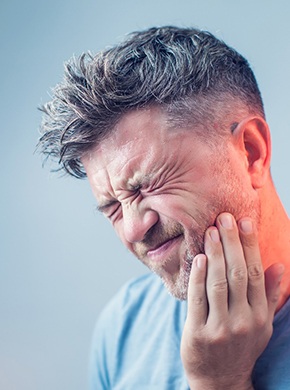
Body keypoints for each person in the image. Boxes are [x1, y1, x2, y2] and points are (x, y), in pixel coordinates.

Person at [38, 26, 290, 389]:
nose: (131, 229)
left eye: (147, 185)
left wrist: (222, 382)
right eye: (111, 207)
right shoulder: (123, 328)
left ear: (251, 152)